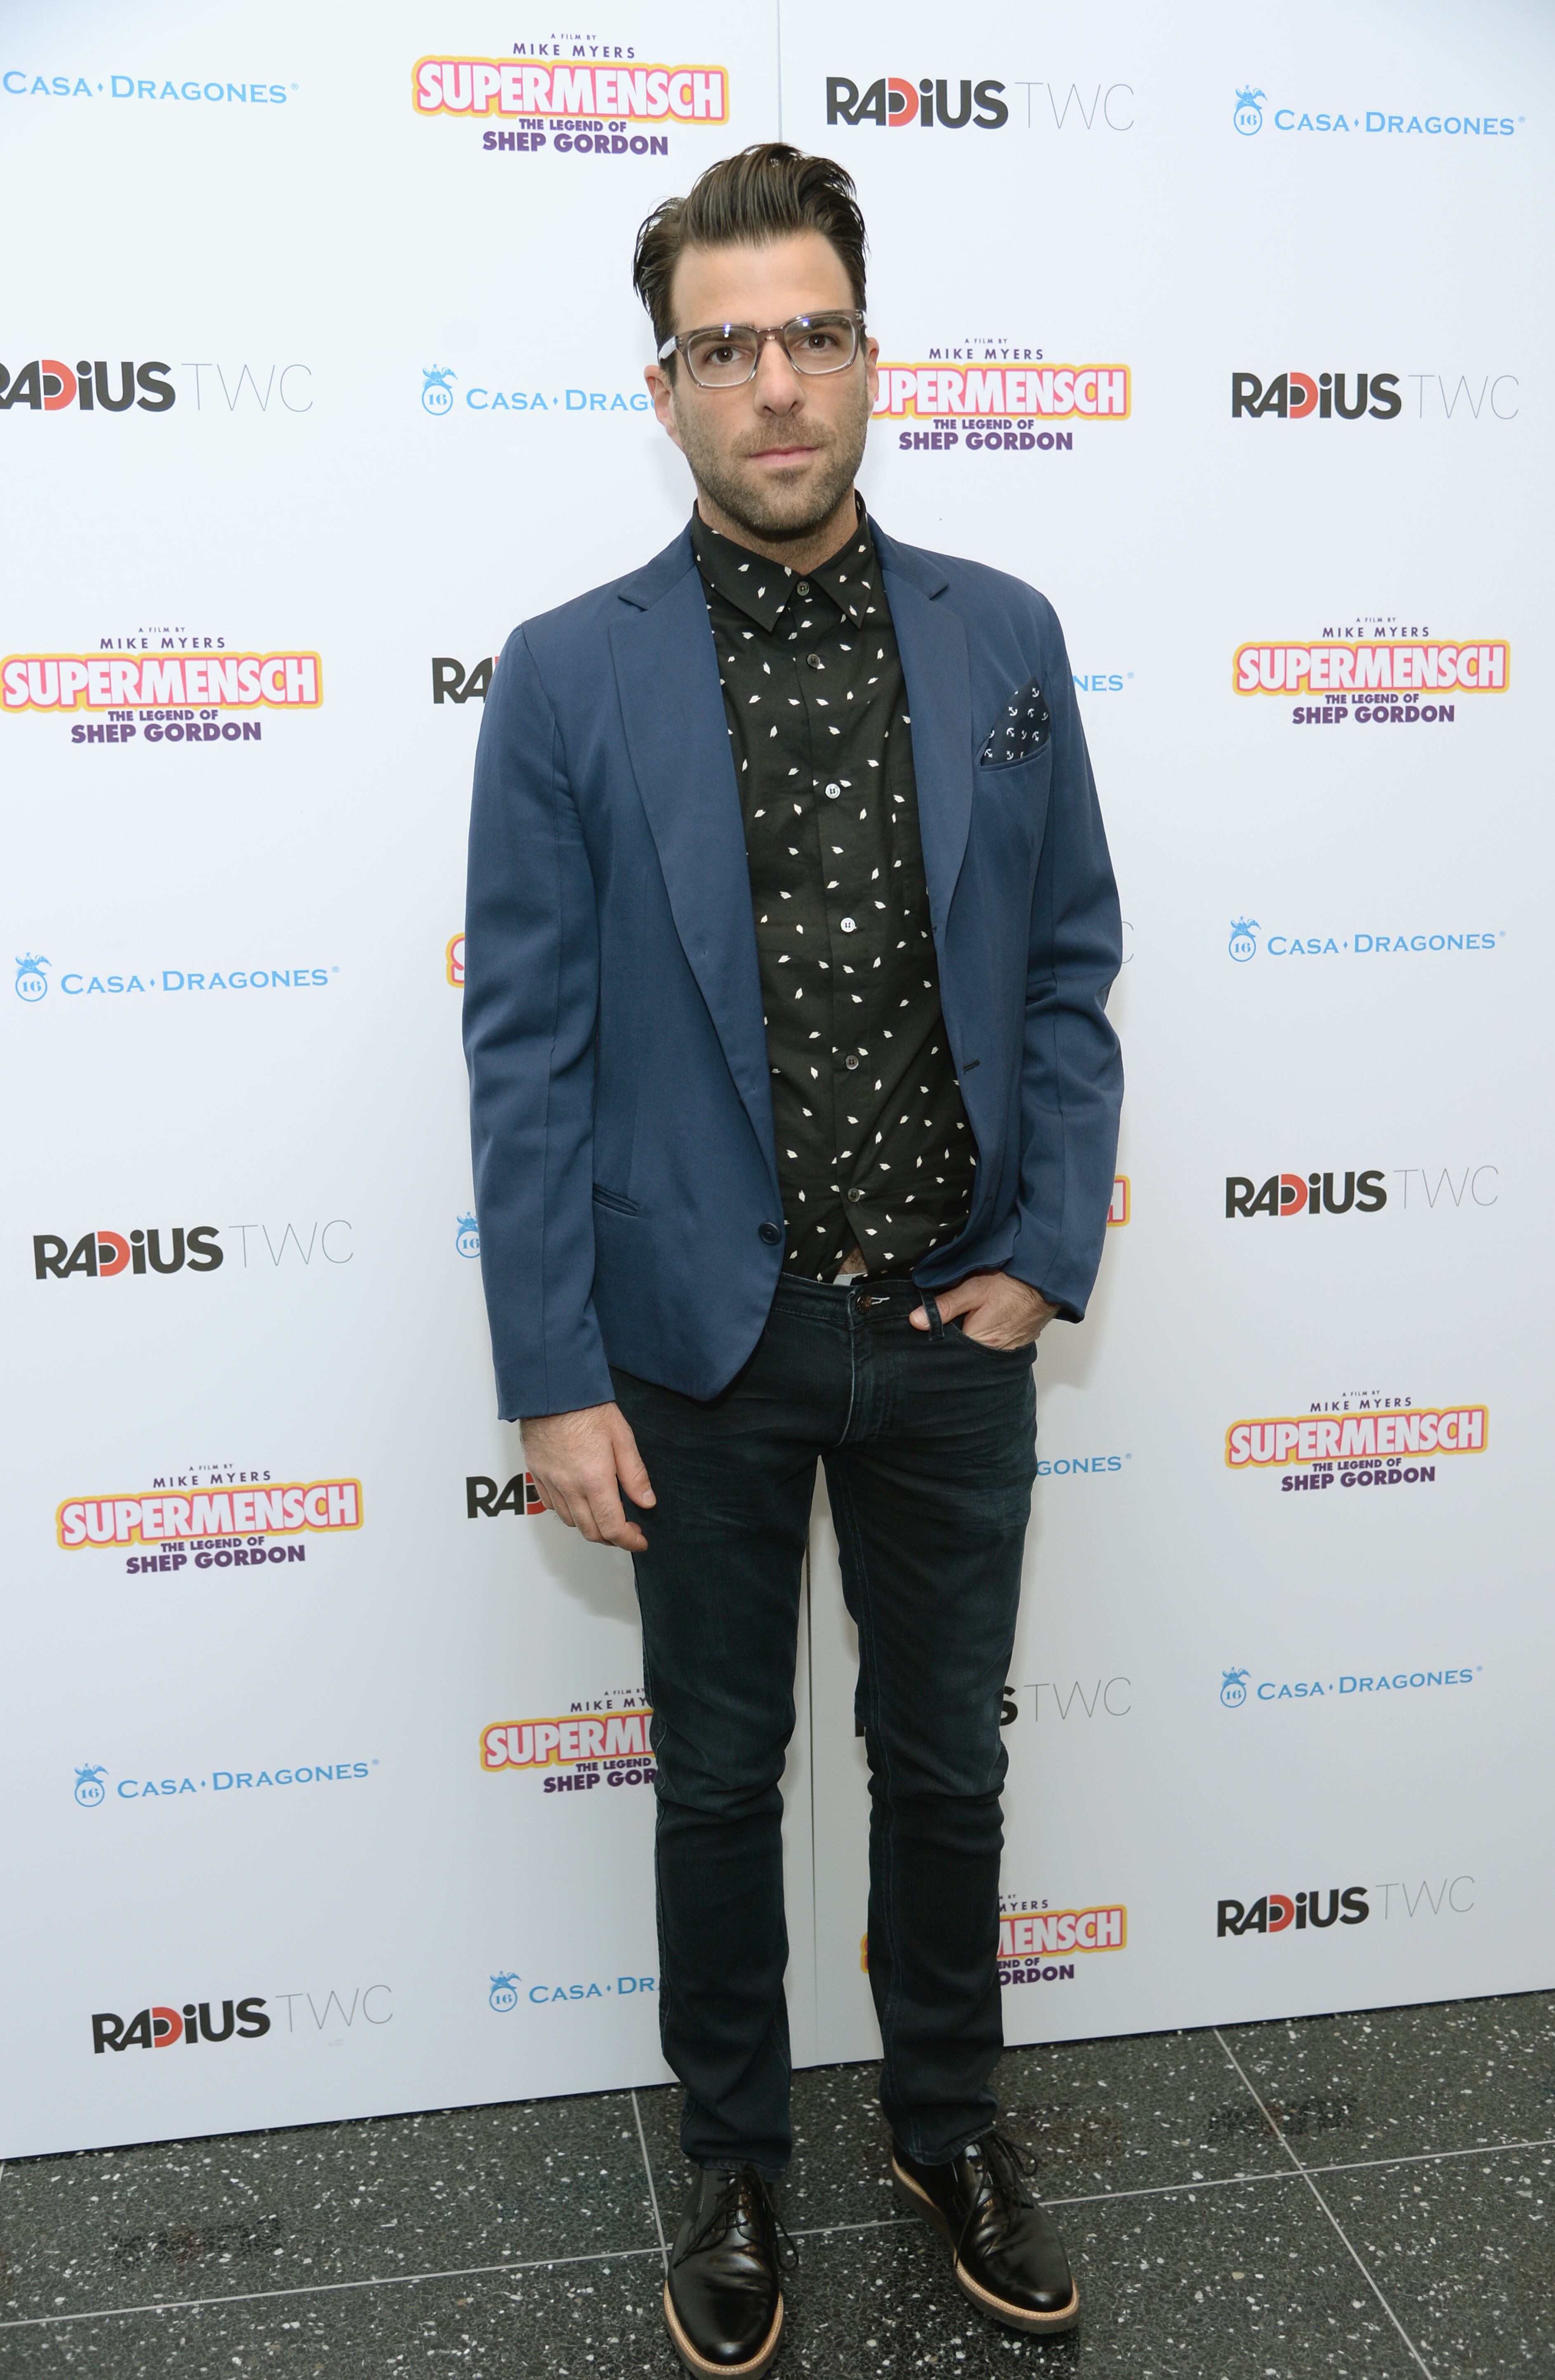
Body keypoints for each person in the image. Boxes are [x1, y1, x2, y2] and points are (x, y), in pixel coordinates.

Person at [464, 143, 1122, 2377]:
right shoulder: (568, 677)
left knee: (947, 1768)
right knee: (718, 1781)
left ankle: (950, 2127)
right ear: (664, 388)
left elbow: (1072, 971)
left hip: (950, 1320)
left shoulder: (1006, 634)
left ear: (869, 357)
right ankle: (737, 2164)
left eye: (811, 335)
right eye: (725, 346)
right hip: (696, 1348)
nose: (775, 384)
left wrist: (1043, 1253)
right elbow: (526, 1049)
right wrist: (554, 1375)